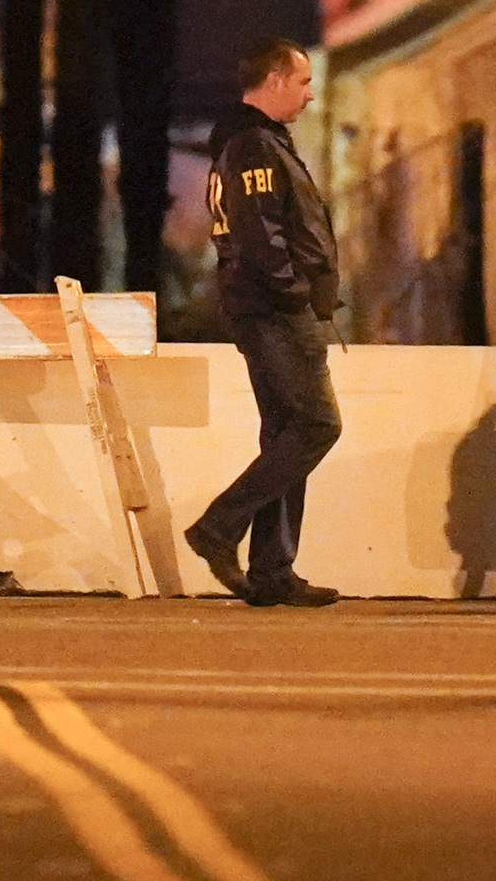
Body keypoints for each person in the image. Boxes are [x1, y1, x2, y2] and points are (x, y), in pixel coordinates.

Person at [183, 38, 343, 608]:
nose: (309, 93)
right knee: (317, 426)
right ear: (274, 80)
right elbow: (260, 233)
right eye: (301, 82)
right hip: (275, 310)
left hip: (263, 308)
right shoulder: (254, 144)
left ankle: (273, 569)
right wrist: (295, 290)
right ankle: (218, 528)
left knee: (284, 434)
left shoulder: (249, 140)